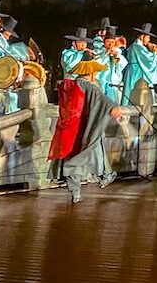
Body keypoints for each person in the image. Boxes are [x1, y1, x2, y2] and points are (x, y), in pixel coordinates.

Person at [48, 57, 124, 203]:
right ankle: (103, 177)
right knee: (93, 149)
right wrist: (112, 107)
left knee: (72, 153)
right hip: (84, 127)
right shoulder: (89, 86)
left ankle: (75, 192)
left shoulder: (69, 85)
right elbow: (101, 99)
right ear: (92, 73)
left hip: (69, 127)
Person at [122, 23, 157, 105]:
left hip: (136, 70)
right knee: (134, 93)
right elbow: (148, 59)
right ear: (142, 36)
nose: (149, 40)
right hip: (136, 73)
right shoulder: (137, 46)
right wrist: (154, 53)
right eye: (148, 37)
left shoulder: (139, 47)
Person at [95, 32, 128, 104]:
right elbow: (97, 64)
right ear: (104, 42)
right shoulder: (98, 52)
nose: (110, 44)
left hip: (113, 85)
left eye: (112, 42)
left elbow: (124, 64)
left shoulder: (117, 53)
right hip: (101, 83)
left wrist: (117, 57)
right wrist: (106, 55)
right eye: (108, 42)